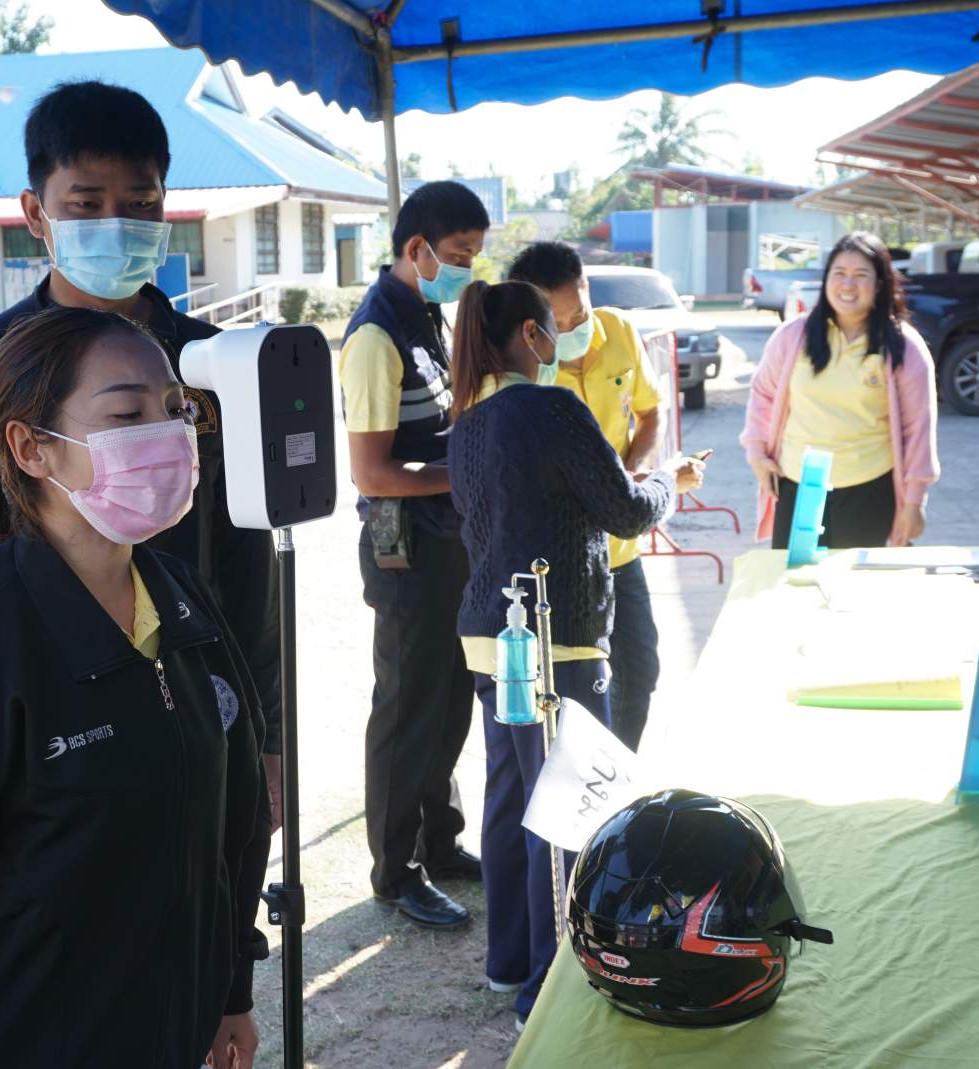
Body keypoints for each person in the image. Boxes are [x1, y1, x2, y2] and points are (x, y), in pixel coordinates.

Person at [0, 307, 269, 1068]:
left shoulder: (180, 597)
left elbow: (229, 819)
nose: (169, 434)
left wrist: (230, 986)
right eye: (127, 414)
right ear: (31, 447)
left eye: (177, 408)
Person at [0, 80, 285, 828]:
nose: (117, 225)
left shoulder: (217, 364)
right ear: (35, 213)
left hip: (199, 686)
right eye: (86, 204)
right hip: (44, 715)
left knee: (211, 886)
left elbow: (248, 559)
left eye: (141, 204)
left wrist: (267, 731)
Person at [446, 280, 704, 1033]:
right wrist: (671, 480)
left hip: (491, 635)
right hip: (555, 637)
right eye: (552, 329)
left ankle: (509, 964)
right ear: (532, 335)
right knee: (563, 810)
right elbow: (625, 508)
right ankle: (545, 990)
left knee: (509, 797)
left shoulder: (467, 424)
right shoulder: (551, 407)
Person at [338, 180, 490, 930]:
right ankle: (395, 872)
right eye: (458, 254)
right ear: (416, 249)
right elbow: (371, 473)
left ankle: (440, 842)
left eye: (474, 255)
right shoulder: (376, 336)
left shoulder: (428, 315)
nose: (466, 268)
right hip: (407, 551)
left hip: (449, 542)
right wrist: (466, 473)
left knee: (451, 700)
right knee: (408, 710)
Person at [507, 241, 666, 751]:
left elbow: (650, 413)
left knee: (639, 670)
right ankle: (574, 786)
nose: (572, 329)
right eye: (557, 321)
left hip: (620, 547)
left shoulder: (619, 330)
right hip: (560, 561)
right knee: (570, 690)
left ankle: (616, 777)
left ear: (588, 290)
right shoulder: (520, 361)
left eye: (579, 313)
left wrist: (634, 470)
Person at [741, 231, 939, 549]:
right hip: (798, 485)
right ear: (826, 280)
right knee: (796, 576)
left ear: (880, 284)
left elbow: (918, 428)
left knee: (852, 581)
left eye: (861, 275)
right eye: (839, 273)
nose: (848, 285)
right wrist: (757, 455)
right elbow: (763, 394)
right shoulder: (793, 336)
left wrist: (915, 501)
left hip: (868, 489)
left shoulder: (904, 347)